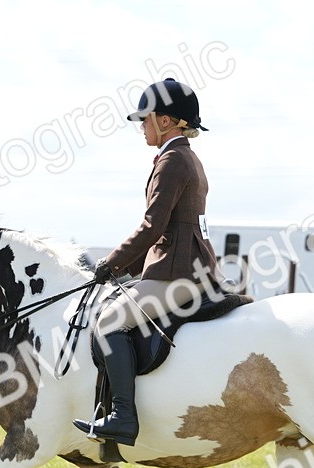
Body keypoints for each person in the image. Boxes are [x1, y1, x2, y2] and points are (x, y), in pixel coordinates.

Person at [72, 77, 219, 447]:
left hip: (177, 273)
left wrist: (111, 263)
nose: (141, 126)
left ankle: (123, 416)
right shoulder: (187, 158)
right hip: (187, 266)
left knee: (108, 322)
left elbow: (152, 227)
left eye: (145, 119)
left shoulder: (172, 160)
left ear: (166, 121)